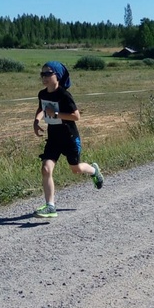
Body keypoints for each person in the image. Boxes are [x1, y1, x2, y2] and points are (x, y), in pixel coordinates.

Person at [33, 61, 103, 218]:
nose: (44, 77)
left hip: (69, 137)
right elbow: (41, 108)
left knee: (75, 169)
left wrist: (56, 114)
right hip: (53, 138)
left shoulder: (64, 95)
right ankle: (50, 206)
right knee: (46, 169)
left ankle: (94, 171)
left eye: (47, 73)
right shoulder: (42, 94)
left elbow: (76, 116)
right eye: (42, 74)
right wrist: (36, 121)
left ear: (57, 76)